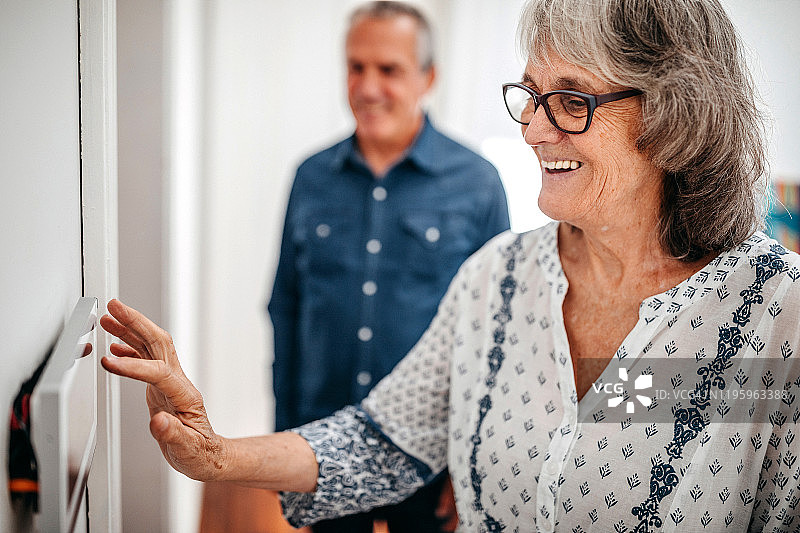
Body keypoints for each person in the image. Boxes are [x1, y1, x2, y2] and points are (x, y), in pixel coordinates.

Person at [101, 0, 800, 530]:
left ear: (673, 115)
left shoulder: (774, 317)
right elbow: (382, 439)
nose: (531, 128)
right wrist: (215, 453)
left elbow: (634, 422)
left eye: (571, 100)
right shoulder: (498, 281)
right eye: (530, 94)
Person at [267, 2, 509, 530]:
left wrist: (473, 460)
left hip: (429, 452)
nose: (368, 86)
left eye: (389, 70)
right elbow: (284, 307)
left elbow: (496, 332)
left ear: (429, 77)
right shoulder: (310, 177)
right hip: (324, 443)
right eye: (356, 67)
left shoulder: (478, 183)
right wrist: (285, 435)